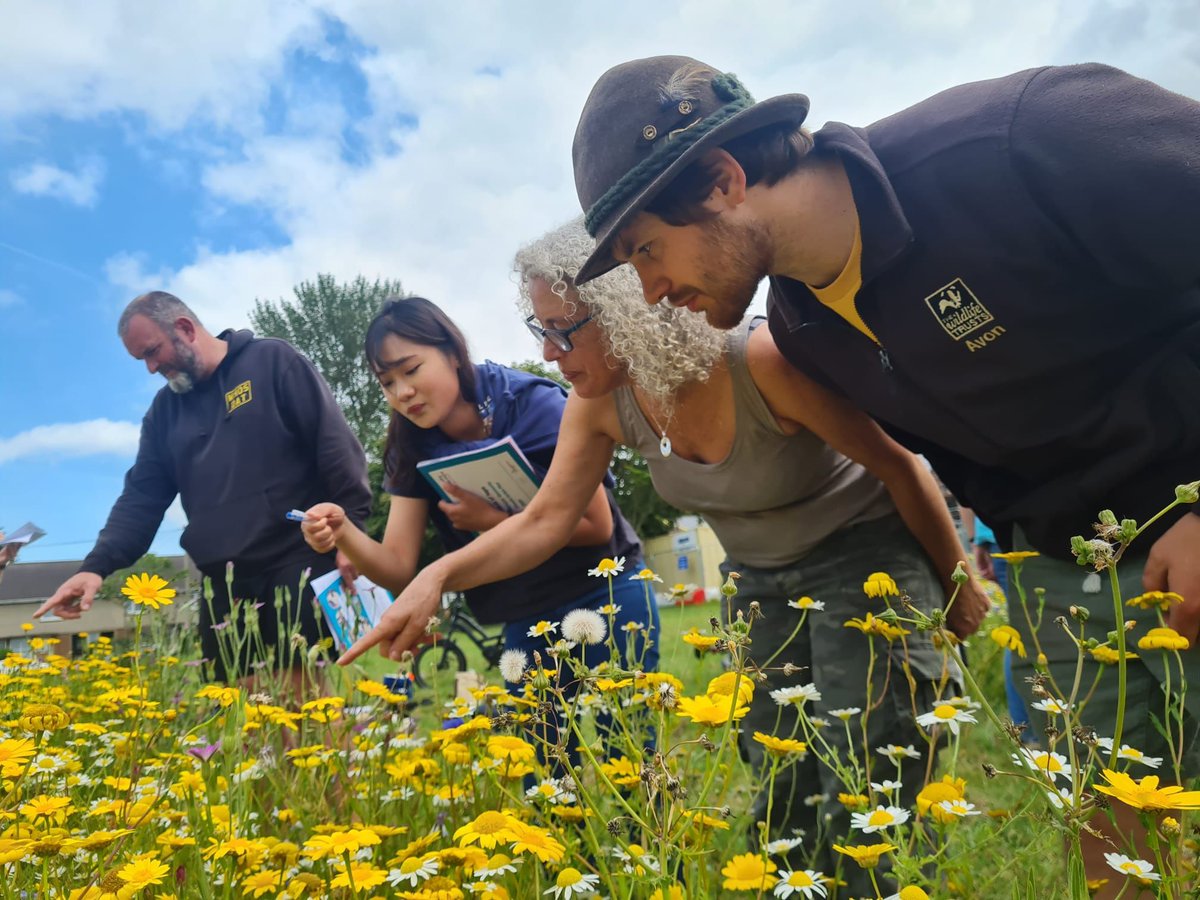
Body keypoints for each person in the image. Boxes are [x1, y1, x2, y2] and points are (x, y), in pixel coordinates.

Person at [566, 55, 1200, 892]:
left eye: (646, 249)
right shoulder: (802, 331)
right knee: (1108, 831)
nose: (647, 292)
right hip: (1058, 571)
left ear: (722, 179)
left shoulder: (1025, 137)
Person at [338, 221, 986, 891]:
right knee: (780, 769)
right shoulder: (599, 404)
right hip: (760, 580)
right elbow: (546, 519)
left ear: (626, 307)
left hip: (865, 559)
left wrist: (958, 581)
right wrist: (437, 576)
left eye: (565, 330)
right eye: (541, 332)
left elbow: (900, 466)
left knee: (872, 768)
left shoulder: (756, 359)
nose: (552, 354)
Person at [299, 297, 655, 750]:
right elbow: (395, 567)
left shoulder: (533, 405)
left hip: (604, 594)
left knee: (628, 753)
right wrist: (344, 531)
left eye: (410, 370)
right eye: (386, 382)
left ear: (452, 352)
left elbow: (595, 527)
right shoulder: (409, 446)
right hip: (523, 614)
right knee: (536, 763)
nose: (402, 392)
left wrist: (490, 519)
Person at [34, 291, 372, 689]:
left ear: (185, 328)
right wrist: (95, 567)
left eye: (152, 351)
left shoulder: (272, 363)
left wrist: (353, 534)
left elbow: (333, 447)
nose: (151, 367)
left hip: (295, 562)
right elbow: (141, 498)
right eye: (141, 359)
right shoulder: (164, 414)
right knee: (234, 720)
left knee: (304, 706)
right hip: (224, 581)